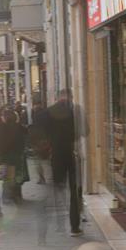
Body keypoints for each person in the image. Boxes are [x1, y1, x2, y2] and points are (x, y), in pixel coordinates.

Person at [36, 89, 84, 236]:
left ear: (57, 98)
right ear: (70, 97)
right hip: (71, 153)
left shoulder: (47, 113)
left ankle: (59, 222)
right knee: (74, 190)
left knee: (58, 188)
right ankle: (74, 226)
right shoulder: (75, 111)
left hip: (56, 154)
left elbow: (38, 128)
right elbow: (85, 130)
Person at [0, 108, 27, 203]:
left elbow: (1, 143)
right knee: (17, 177)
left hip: (8, 156)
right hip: (18, 156)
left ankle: (7, 197)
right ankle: (18, 196)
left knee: (8, 178)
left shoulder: (2, 128)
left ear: (5, 117)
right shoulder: (20, 127)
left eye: (3, 116)